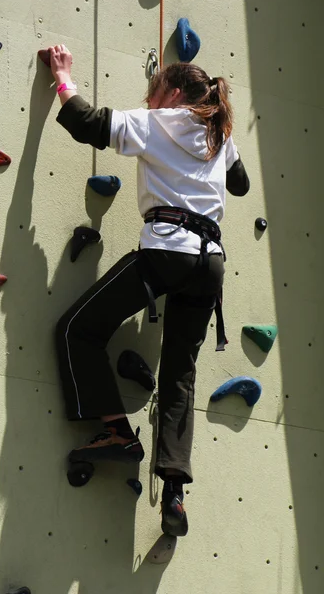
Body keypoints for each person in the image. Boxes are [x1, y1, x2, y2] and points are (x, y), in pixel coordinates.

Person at [50, 44, 250, 537]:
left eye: (152, 91)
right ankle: (175, 494)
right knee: (180, 374)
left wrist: (62, 77)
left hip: (167, 250)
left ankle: (116, 431)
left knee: (78, 328)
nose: (147, 99)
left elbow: (87, 122)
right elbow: (240, 185)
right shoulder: (219, 132)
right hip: (211, 264)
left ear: (173, 91)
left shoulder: (160, 121)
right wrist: (218, 151)